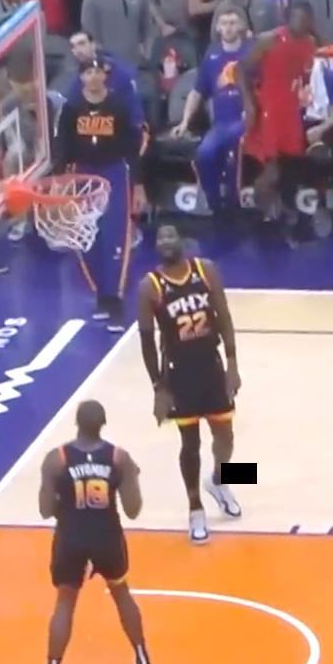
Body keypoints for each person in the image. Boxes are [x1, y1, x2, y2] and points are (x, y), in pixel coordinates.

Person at [35, 399, 154, 664]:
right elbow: (133, 510)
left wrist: (63, 498)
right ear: (103, 424)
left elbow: (44, 510)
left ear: (76, 423)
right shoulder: (118, 458)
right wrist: (133, 478)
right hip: (107, 537)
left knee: (65, 604)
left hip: (71, 537)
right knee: (122, 594)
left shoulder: (57, 459)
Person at [136, 225, 242, 544]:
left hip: (211, 366)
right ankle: (195, 508)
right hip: (179, 374)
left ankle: (220, 480)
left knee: (226, 436)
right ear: (156, 246)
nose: (166, 241)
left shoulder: (205, 270)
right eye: (160, 238)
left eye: (171, 236)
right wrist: (158, 388)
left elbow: (224, 316)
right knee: (190, 445)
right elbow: (147, 341)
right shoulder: (149, 286)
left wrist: (233, 363)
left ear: (181, 241)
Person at [53, 57, 141, 333]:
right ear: (81, 77)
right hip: (83, 175)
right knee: (87, 237)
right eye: (87, 72)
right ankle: (101, 295)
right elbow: (62, 146)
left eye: (97, 71)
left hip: (114, 172)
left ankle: (116, 299)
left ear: (105, 76)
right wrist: (59, 180)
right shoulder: (71, 108)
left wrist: (138, 183)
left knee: (114, 235)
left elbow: (133, 148)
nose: (93, 76)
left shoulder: (119, 106)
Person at [240, 1, 320, 227]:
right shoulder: (269, 39)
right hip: (270, 108)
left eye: (304, 19)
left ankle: (284, 209)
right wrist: (249, 102)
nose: (300, 23)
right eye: (296, 18)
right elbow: (241, 69)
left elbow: (308, 75)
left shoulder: (311, 43)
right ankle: (261, 213)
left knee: (291, 163)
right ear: (287, 18)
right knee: (271, 168)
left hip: (292, 109)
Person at [172, 8, 250, 217]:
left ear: (241, 26)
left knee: (233, 156)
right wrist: (185, 122)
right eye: (224, 23)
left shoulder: (251, 52)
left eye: (232, 23)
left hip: (245, 121)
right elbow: (197, 91)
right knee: (204, 155)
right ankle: (213, 203)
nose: (228, 28)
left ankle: (234, 207)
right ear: (217, 28)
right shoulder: (212, 55)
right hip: (221, 124)